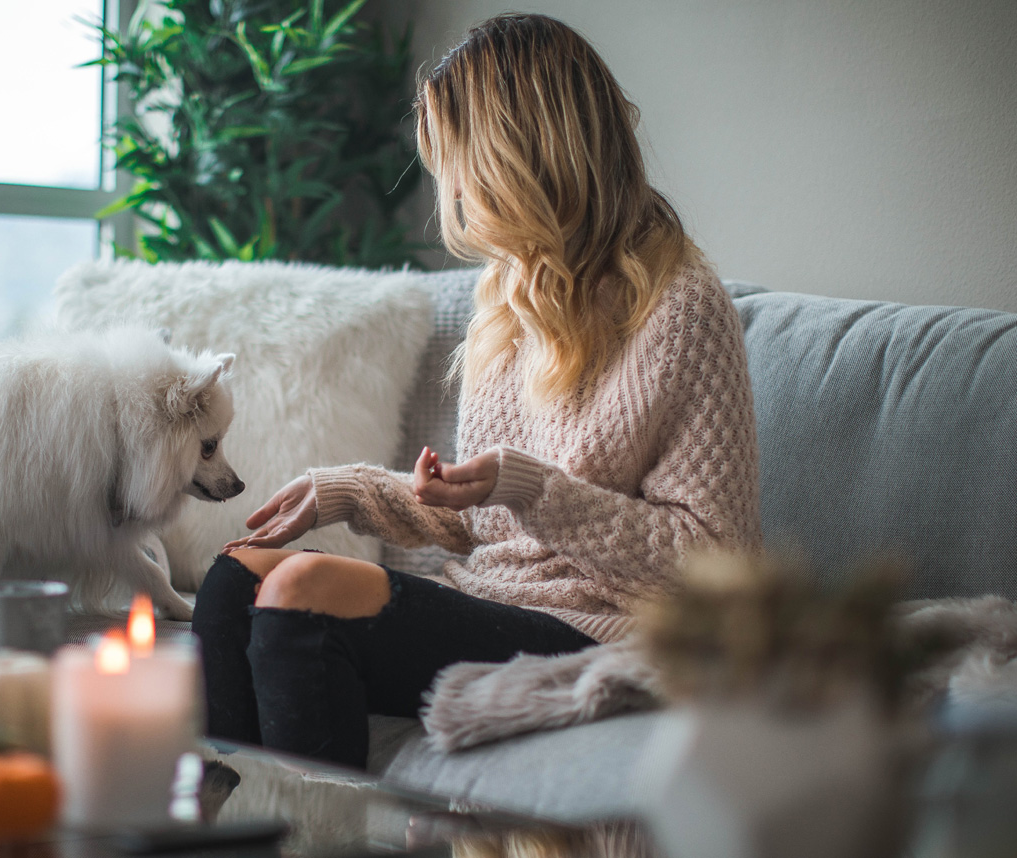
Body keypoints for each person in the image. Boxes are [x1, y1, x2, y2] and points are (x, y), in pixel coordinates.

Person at [190, 12, 761, 769]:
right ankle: (227, 830)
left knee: (304, 592)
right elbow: (482, 522)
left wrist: (534, 490)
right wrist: (350, 491)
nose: (451, 187)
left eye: (457, 159)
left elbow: (715, 563)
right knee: (234, 580)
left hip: (609, 627)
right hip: (492, 599)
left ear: (518, 155)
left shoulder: (681, 306)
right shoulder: (509, 293)